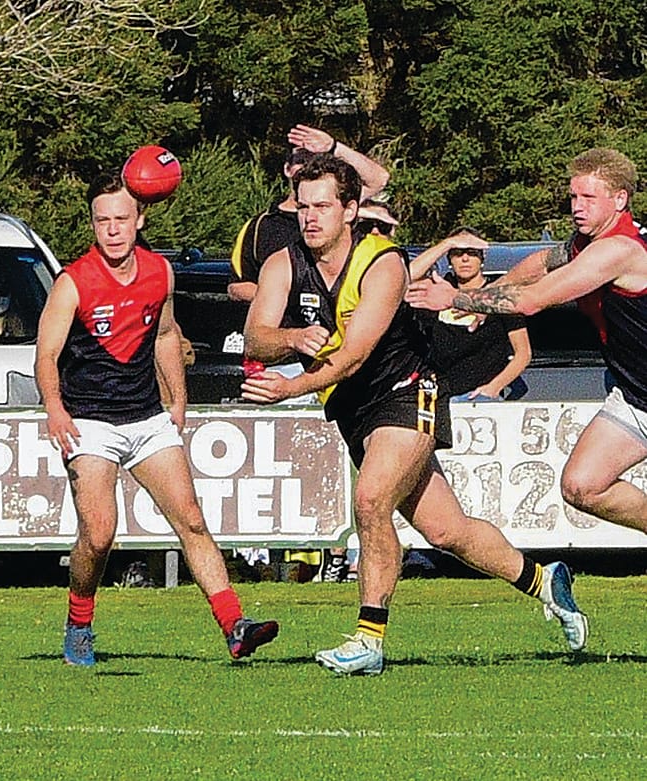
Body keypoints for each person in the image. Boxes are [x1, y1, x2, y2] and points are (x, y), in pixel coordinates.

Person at [241, 154, 586, 676]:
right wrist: (290, 338)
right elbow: (255, 336)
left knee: (372, 498)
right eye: (303, 207)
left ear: (351, 209)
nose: (310, 218)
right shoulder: (283, 263)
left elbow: (354, 354)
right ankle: (545, 580)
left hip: (407, 390)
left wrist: (292, 384)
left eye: (322, 207)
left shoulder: (383, 262)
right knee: (446, 531)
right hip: (354, 408)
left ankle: (368, 639)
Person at [34, 171, 279, 667]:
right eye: (102, 220)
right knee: (100, 533)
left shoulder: (159, 272)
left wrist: (179, 398)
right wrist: (55, 411)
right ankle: (79, 623)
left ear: (140, 219)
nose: (112, 229)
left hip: (146, 418)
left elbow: (167, 334)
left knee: (191, 519)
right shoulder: (73, 281)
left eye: (121, 219)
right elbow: (46, 354)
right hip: (90, 422)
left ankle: (235, 626)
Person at [408, 147, 647, 593]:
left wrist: (458, 299)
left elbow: (533, 300)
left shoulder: (618, 250)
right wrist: (492, 293)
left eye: (588, 198)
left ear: (619, 199)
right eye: (573, 197)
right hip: (636, 397)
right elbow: (540, 263)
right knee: (582, 486)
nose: (577, 207)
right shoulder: (584, 244)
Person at [228, 125, 391, 304]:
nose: (309, 165)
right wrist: (289, 298)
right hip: (283, 327)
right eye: (302, 159)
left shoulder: (337, 204)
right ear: (287, 168)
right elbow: (237, 287)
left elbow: (379, 179)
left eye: (315, 158)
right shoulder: (261, 225)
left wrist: (334, 146)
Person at [407, 228, 531, 400]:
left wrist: (493, 388)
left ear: (482, 258)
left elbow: (523, 353)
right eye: (457, 253)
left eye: (471, 253)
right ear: (449, 258)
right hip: (436, 394)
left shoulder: (498, 296)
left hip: (480, 396)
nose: (465, 259)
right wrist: (446, 243)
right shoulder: (439, 288)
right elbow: (406, 278)